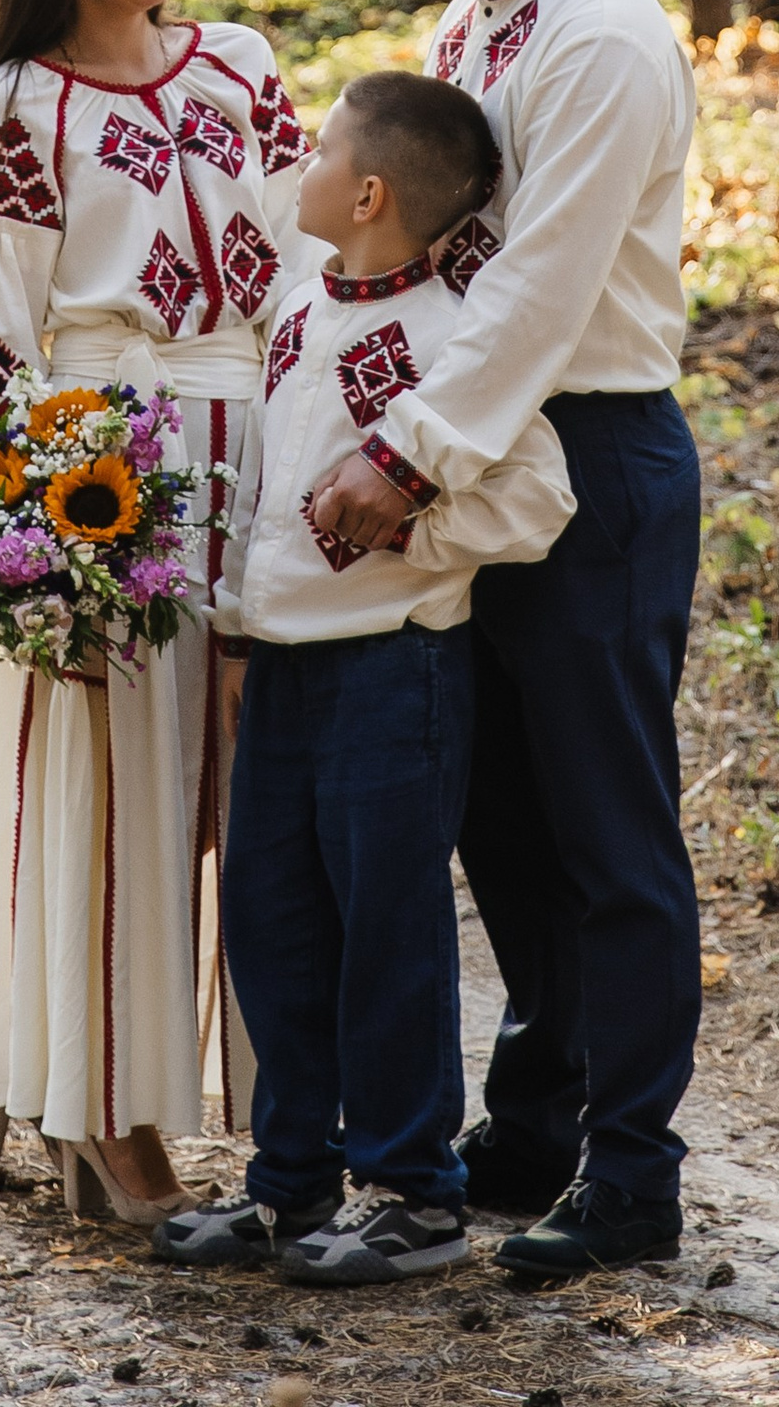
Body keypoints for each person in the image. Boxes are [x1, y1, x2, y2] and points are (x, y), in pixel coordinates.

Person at [305, 0, 704, 1279]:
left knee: (608, 823)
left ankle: (636, 1170)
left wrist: (405, 456)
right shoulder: (471, 22)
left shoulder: (603, 37)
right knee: (501, 818)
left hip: (589, 452)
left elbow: (541, 288)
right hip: (482, 452)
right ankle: (537, 1122)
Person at [0, 0, 305, 1226]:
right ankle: (106, 1119)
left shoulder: (241, 67)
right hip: (110, 486)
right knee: (115, 802)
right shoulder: (23, 105)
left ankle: (288, 1123)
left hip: (257, 458)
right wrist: (43, 549)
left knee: (252, 796)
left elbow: (313, 265)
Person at [159, 71, 573, 1292]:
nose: (305, 160)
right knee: (272, 925)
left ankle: (413, 1193)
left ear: (370, 192)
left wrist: (411, 529)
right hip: (284, 669)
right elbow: (263, 490)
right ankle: (289, 1181)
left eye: (324, 148)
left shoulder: (448, 339)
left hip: (394, 671)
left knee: (385, 931)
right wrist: (240, 634)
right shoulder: (300, 304)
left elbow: (539, 498)